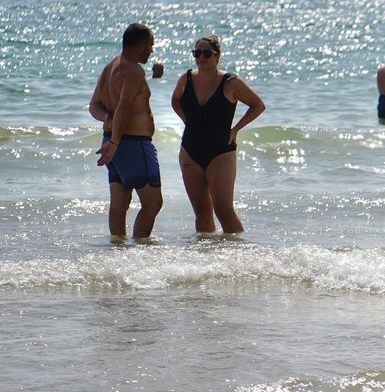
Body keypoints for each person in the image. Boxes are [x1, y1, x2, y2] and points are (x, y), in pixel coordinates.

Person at [171, 35, 267, 234]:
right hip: (190, 149)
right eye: (197, 53)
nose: (201, 57)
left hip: (221, 151)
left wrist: (236, 129)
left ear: (217, 56)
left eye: (207, 53)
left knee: (224, 210)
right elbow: (176, 101)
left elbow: (257, 105)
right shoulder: (186, 79)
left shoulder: (230, 82)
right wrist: (186, 120)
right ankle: (207, 258)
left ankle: (239, 257)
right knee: (202, 212)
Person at [90, 23, 164, 239]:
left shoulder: (110, 67)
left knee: (119, 203)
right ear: (141, 45)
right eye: (151, 45)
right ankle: (139, 253)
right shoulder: (133, 71)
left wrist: (107, 120)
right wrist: (115, 143)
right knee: (153, 203)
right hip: (131, 144)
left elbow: (94, 105)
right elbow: (124, 106)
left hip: (114, 142)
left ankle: (118, 251)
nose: (152, 50)